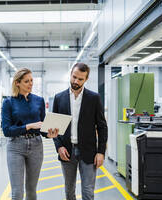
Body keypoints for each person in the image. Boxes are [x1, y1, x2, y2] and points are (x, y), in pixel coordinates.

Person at [52, 63, 108, 200]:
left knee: (88, 191)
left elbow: (102, 127)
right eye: (74, 77)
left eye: (80, 79)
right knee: (69, 191)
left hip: (88, 151)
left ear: (86, 79)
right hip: (67, 150)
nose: (76, 81)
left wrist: (101, 152)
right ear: (70, 74)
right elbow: (54, 128)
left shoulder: (94, 98)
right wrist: (59, 147)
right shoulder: (59, 98)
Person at [2, 68, 58, 200]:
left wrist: (49, 134)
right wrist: (28, 126)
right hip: (15, 147)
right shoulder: (8, 102)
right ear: (17, 83)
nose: (31, 83)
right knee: (17, 192)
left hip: (36, 146)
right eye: (26, 81)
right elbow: (6, 131)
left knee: (32, 190)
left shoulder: (39, 101)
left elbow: (42, 127)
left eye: (32, 80)